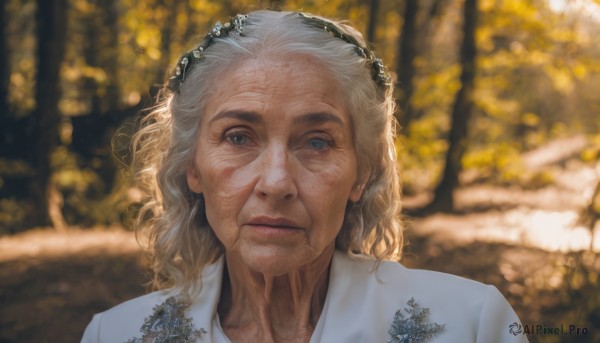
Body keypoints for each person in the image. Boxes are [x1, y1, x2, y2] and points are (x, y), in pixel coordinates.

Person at [82, 10, 528, 343]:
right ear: (192, 166)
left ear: (361, 173)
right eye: (238, 138)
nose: (276, 183)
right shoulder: (116, 335)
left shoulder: (472, 324)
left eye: (317, 142)